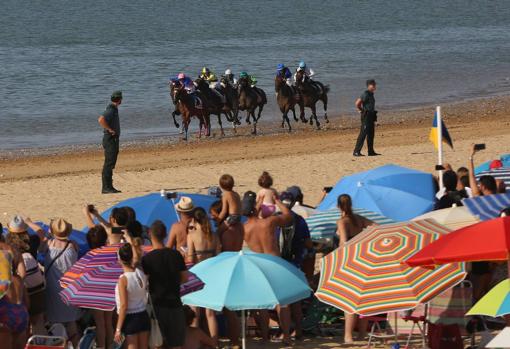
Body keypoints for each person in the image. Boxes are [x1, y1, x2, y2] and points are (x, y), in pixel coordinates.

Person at [242, 191, 293, 344]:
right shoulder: (269, 222)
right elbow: (288, 216)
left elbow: (251, 217)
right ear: (256, 208)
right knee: (282, 303)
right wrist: (277, 200)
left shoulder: (244, 229)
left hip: (259, 264)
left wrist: (255, 205)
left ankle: (265, 337)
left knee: (263, 304)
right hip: (275, 263)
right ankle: (287, 336)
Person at [142, 220, 188, 349]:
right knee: (176, 344)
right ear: (165, 235)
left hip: (157, 305)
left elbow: (144, 282)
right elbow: (185, 278)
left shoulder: (147, 259)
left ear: (150, 235)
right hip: (175, 304)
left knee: (157, 343)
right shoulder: (176, 255)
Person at [336, 194, 374, 344]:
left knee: (349, 300)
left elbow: (344, 242)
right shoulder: (359, 219)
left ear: (339, 206)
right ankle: (362, 335)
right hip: (362, 260)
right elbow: (377, 227)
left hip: (349, 262)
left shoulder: (342, 221)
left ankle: (348, 336)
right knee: (362, 299)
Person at [38, 218, 81, 347]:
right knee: (71, 323)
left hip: (53, 289)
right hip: (69, 289)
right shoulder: (73, 245)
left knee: (55, 325)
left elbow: (39, 250)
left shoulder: (48, 245)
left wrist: (47, 236)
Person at [278, 192, 314, 339]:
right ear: (293, 204)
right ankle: (298, 331)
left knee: (282, 301)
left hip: (279, 264)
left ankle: (284, 332)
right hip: (295, 263)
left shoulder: (274, 219)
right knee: (295, 300)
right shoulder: (299, 220)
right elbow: (308, 243)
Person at [6, 217, 46, 336]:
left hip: (19, 283)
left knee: (22, 322)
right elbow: (41, 233)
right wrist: (30, 223)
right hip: (34, 284)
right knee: (35, 319)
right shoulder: (32, 241)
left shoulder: (8, 245)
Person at [186, 208, 221, 343]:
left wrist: (185, 255)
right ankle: (214, 342)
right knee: (210, 314)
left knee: (195, 313)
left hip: (197, 274)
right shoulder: (214, 235)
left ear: (194, 220)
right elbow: (218, 256)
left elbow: (190, 260)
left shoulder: (192, 236)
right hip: (211, 274)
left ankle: (195, 343)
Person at [114, 243, 150, 349]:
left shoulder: (123, 280)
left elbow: (124, 306)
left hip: (130, 319)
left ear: (119, 260)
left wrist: (118, 329)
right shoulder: (140, 273)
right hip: (143, 315)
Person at [0, 249, 29, 349]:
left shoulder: (3, 281)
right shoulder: (19, 279)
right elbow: (27, 302)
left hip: (6, 316)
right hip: (21, 314)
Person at [98, 90, 123, 194]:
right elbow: (101, 119)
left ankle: (109, 186)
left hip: (112, 139)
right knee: (109, 163)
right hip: (110, 139)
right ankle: (106, 187)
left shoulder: (114, 109)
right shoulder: (111, 109)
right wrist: (110, 129)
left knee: (111, 163)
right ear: (119, 100)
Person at [353, 80, 380, 157]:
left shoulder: (371, 94)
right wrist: (362, 110)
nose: (374, 86)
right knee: (363, 133)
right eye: (373, 85)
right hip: (366, 116)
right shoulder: (366, 93)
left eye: (375, 84)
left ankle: (371, 151)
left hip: (371, 116)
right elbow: (357, 103)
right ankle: (356, 151)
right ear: (369, 86)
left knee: (371, 133)